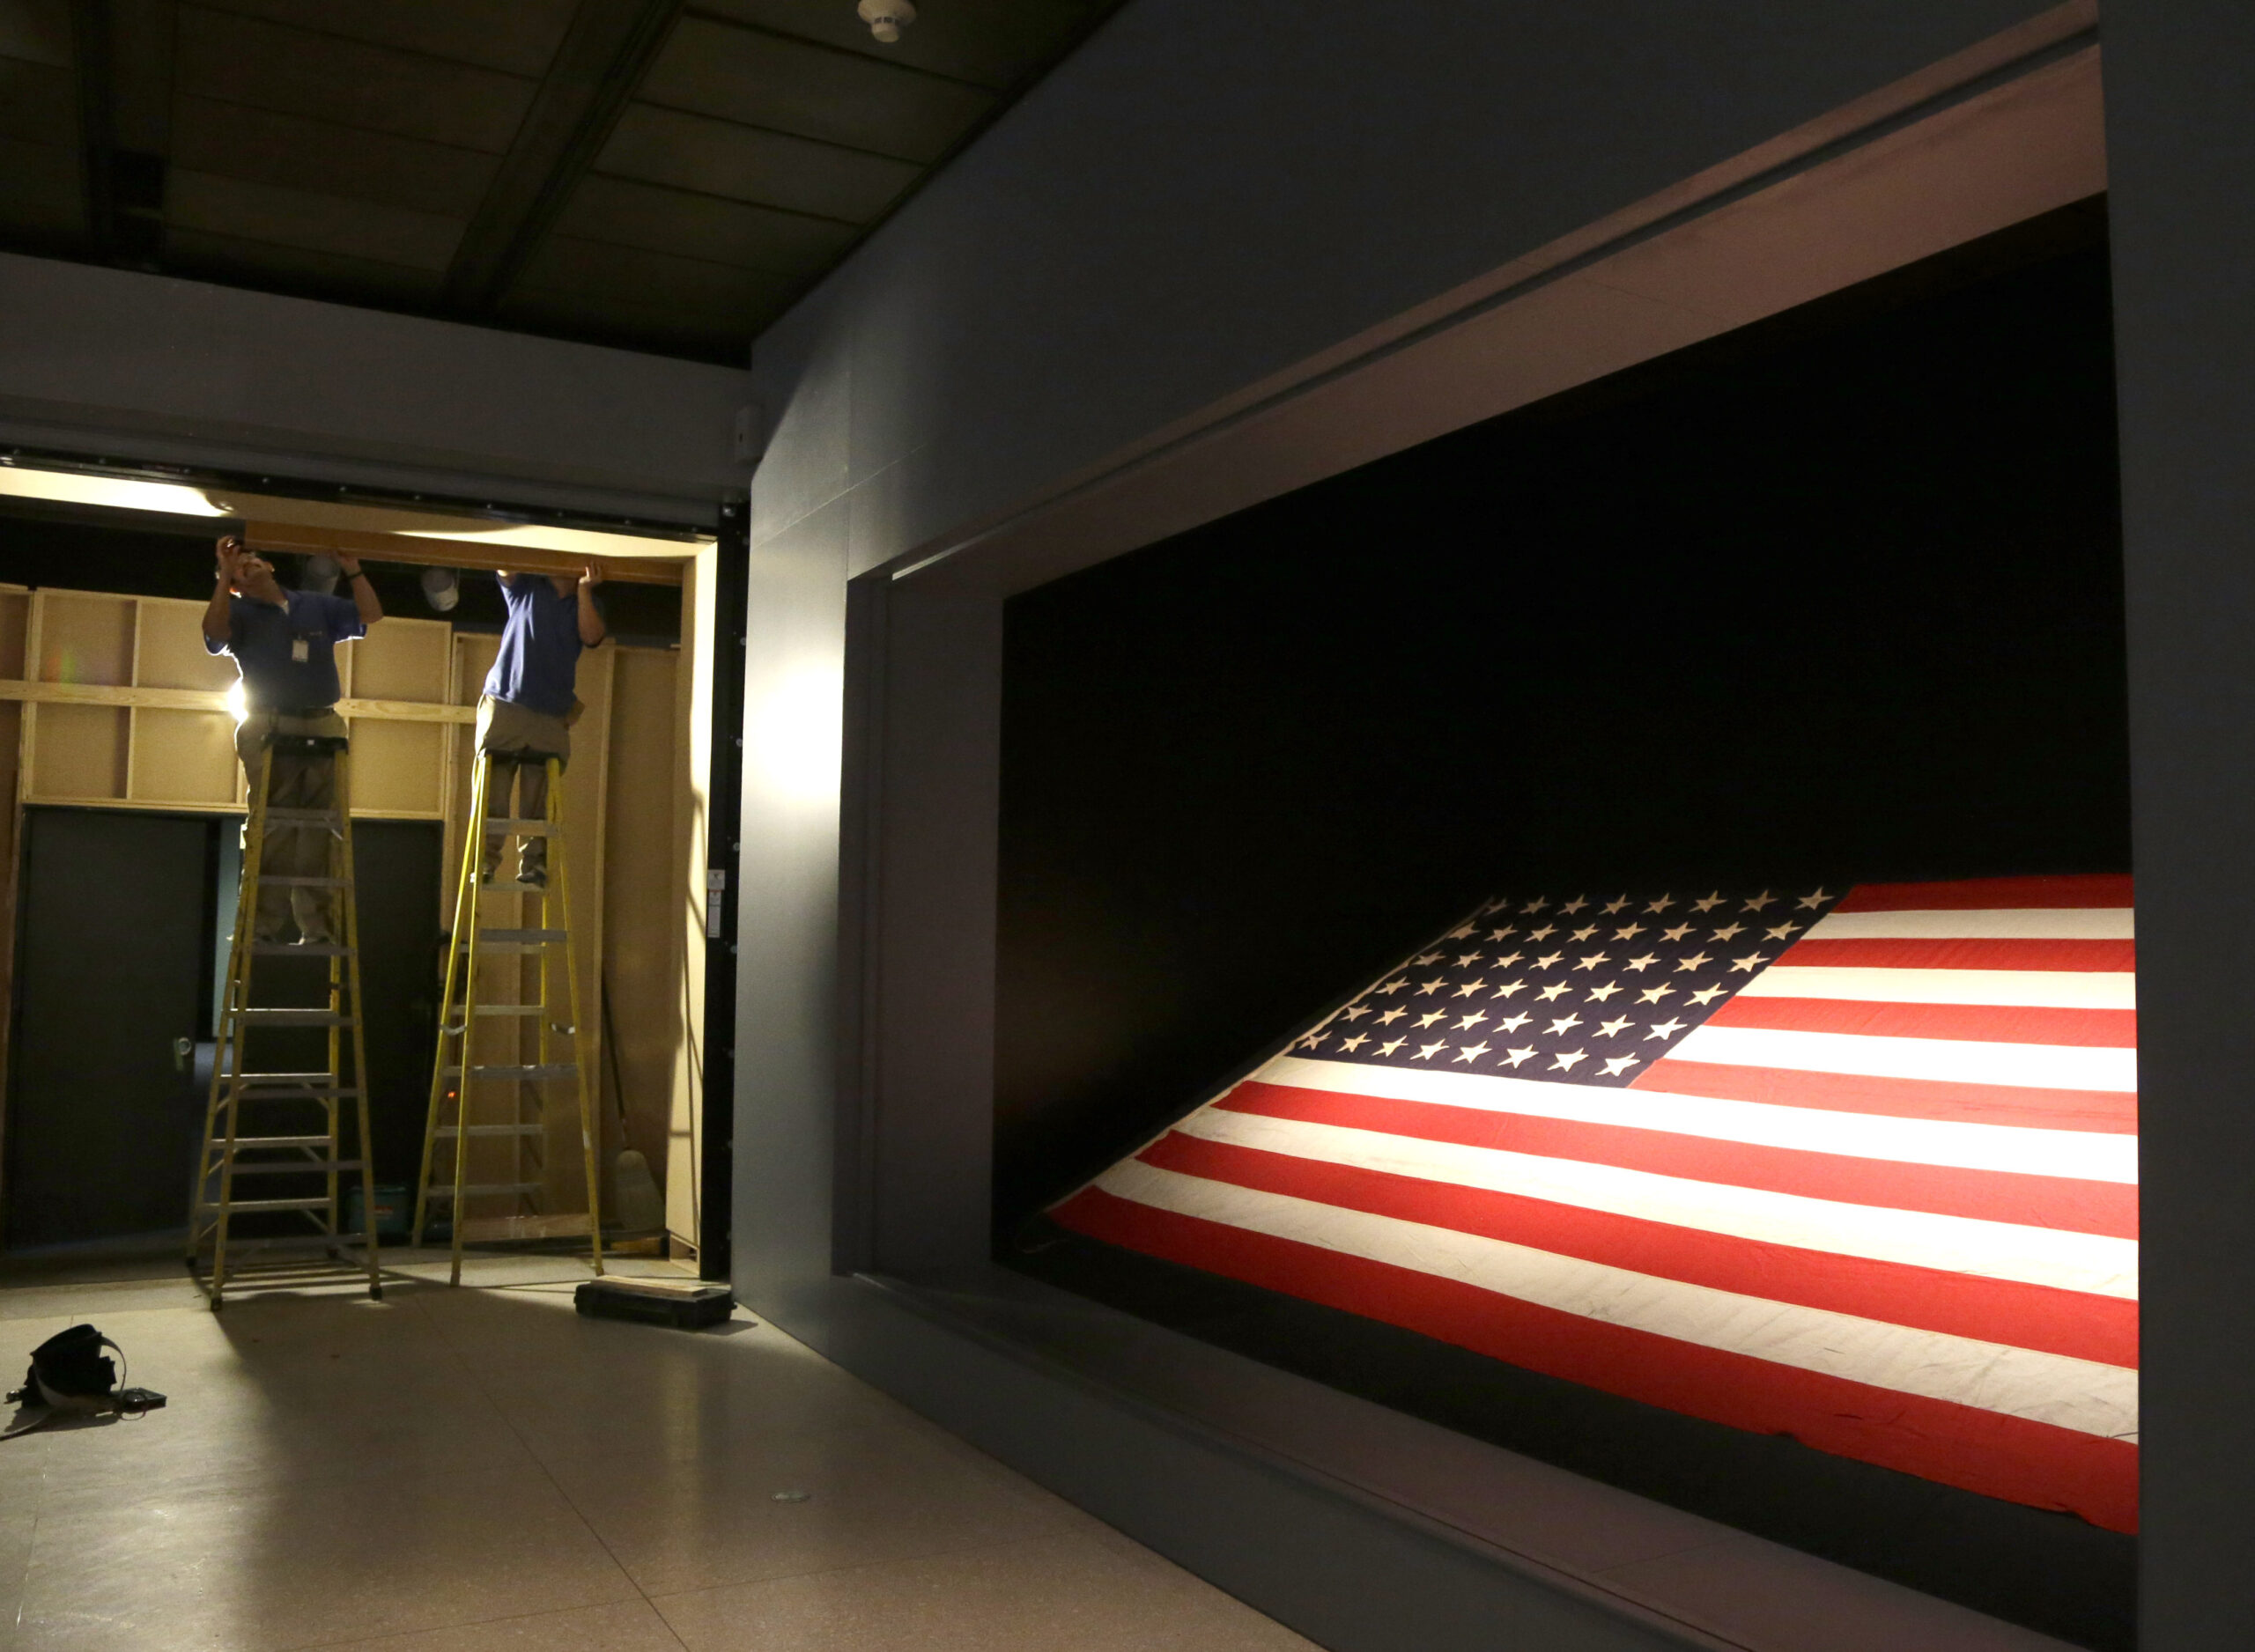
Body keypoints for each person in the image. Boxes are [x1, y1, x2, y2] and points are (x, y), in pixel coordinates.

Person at [202, 534, 383, 943]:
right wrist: (223, 578)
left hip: (322, 722)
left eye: (252, 558)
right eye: (238, 567)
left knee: (322, 827)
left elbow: (371, 615)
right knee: (273, 827)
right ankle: (261, 926)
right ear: (235, 585)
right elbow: (214, 632)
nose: (247, 562)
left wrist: (353, 569)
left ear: (271, 566)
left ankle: (318, 927)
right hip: (268, 724)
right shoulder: (241, 611)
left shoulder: (313, 605)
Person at [478, 564, 605, 887]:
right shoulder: (527, 588)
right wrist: (532, 551)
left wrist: (585, 589)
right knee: (494, 786)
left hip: (550, 713)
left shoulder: (583, 603)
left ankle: (534, 864)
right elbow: (504, 565)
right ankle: (485, 862)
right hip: (506, 702)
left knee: (540, 791)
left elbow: (592, 636)